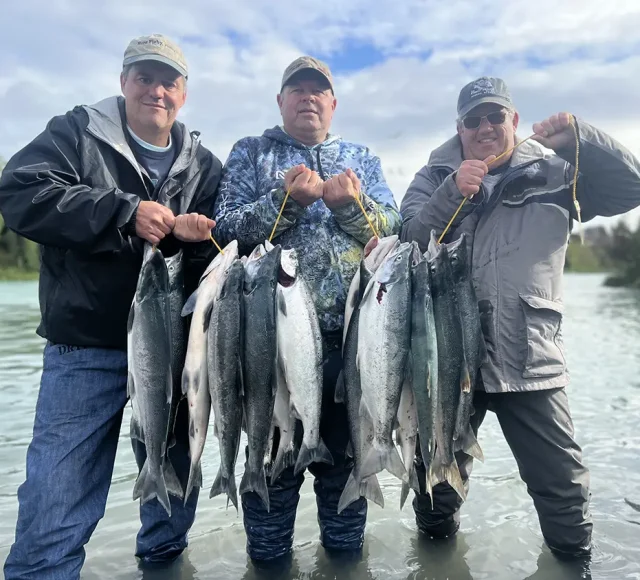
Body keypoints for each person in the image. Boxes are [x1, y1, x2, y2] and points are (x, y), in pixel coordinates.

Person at [0, 34, 223, 579]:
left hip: (174, 353)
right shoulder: (75, 134)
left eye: (168, 80)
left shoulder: (205, 166)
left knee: (172, 499)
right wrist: (122, 210)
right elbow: (19, 194)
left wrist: (193, 238)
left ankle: (163, 567)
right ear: (123, 82)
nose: (156, 90)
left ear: (184, 93)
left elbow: (210, 266)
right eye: (143, 77)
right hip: (86, 348)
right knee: (56, 498)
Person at [400, 76, 640, 558]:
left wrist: (581, 139)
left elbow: (629, 189)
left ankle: (575, 565)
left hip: (531, 355)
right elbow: (406, 241)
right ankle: (436, 560)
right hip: (446, 359)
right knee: (434, 484)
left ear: (513, 118)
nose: (485, 127)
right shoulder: (433, 177)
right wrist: (452, 192)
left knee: (563, 489)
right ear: (460, 127)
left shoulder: (556, 171)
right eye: (474, 119)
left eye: (495, 116)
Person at [214, 55, 401, 563]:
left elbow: (392, 231)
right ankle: (270, 561)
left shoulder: (359, 159)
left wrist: (348, 206)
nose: (307, 97)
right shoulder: (251, 152)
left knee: (344, 499)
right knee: (271, 498)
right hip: (266, 350)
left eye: (318, 91)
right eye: (296, 89)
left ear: (333, 104)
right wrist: (285, 200)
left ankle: (343, 562)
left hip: (351, 350)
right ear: (280, 101)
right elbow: (224, 230)